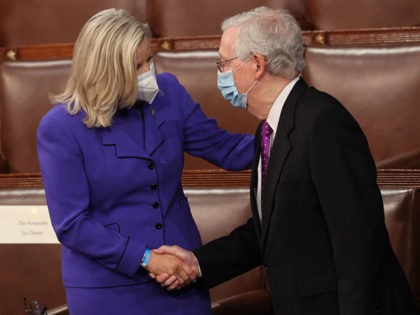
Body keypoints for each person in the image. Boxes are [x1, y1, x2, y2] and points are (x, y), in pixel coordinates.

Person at [151, 6, 420, 315]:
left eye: (224, 63)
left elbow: (357, 242)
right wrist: (197, 263)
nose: (220, 74)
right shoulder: (272, 129)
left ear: (256, 65)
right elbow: (268, 231)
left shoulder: (322, 122)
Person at [36, 8, 254, 315]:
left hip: (179, 278)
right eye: (137, 66)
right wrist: (147, 258)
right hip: (108, 288)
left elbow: (225, 149)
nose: (148, 73)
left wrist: (289, 133)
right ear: (107, 71)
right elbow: (72, 224)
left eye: (149, 60)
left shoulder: (169, 94)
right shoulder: (60, 127)